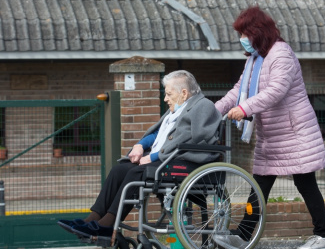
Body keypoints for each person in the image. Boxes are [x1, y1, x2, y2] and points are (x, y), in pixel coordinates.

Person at [213, 7, 325, 249]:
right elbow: (238, 90)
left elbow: (275, 92)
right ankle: (245, 235)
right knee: (259, 184)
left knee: (305, 183)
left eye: (244, 33)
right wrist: (211, 111)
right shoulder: (255, 59)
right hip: (271, 135)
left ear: (257, 31)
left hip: (294, 133)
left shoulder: (281, 54)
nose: (242, 39)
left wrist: (245, 108)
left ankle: (324, 237)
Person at [57, 70, 222, 237]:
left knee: (136, 172)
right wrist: (140, 146)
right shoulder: (177, 109)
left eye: (169, 94)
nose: (165, 99)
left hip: (186, 162)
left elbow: (190, 140)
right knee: (118, 170)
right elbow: (159, 134)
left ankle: (108, 224)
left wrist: (153, 157)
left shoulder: (203, 105)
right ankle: (93, 218)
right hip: (166, 159)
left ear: (184, 93)